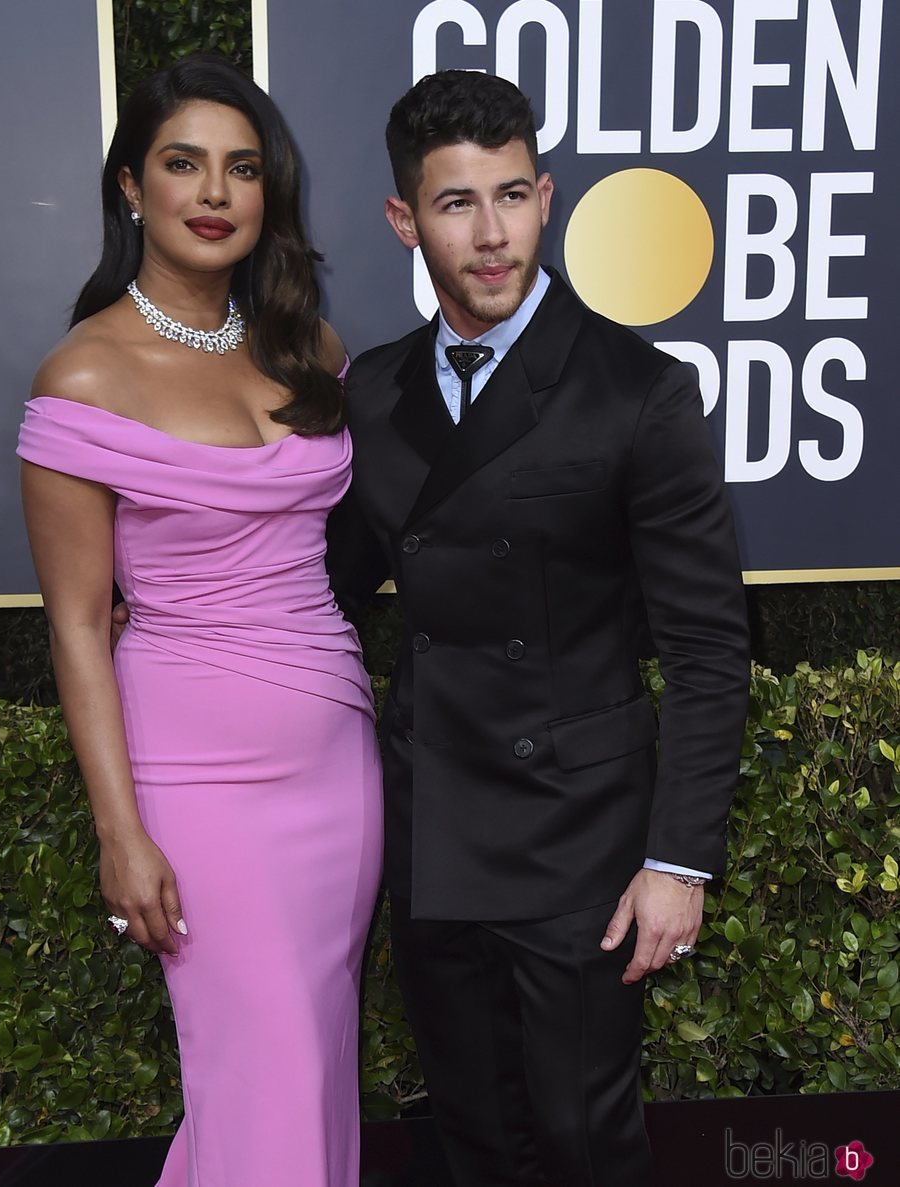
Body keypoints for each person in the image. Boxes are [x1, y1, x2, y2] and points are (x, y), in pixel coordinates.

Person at [328, 70, 750, 1187]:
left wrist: (676, 860)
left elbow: (708, 649)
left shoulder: (635, 390)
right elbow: (323, 585)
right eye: (456, 203)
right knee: (470, 1132)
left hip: (579, 838)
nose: (491, 233)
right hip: (431, 826)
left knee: (580, 1136)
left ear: (547, 196)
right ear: (402, 219)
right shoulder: (370, 394)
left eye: (511, 195)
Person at [17, 55, 382, 1187]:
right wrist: (120, 833)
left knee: (307, 1074)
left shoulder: (307, 347)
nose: (214, 191)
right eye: (183, 164)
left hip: (336, 762)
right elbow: (78, 627)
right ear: (132, 187)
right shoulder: (82, 375)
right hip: (196, 778)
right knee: (261, 1072)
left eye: (241, 167)